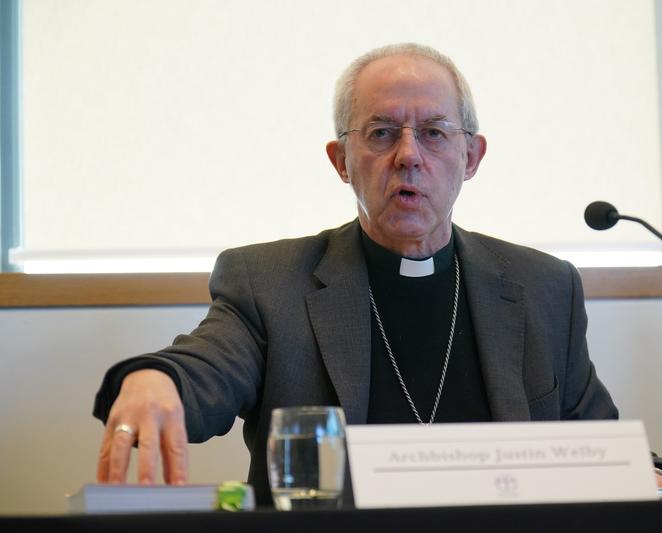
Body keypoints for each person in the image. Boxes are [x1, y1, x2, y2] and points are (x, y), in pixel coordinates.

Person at [93, 43, 618, 505]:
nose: (408, 156)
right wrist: (155, 378)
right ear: (341, 160)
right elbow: (206, 367)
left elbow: (602, 455)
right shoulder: (269, 282)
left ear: (471, 156)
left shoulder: (546, 287)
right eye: (382, 133)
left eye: (434, 133)